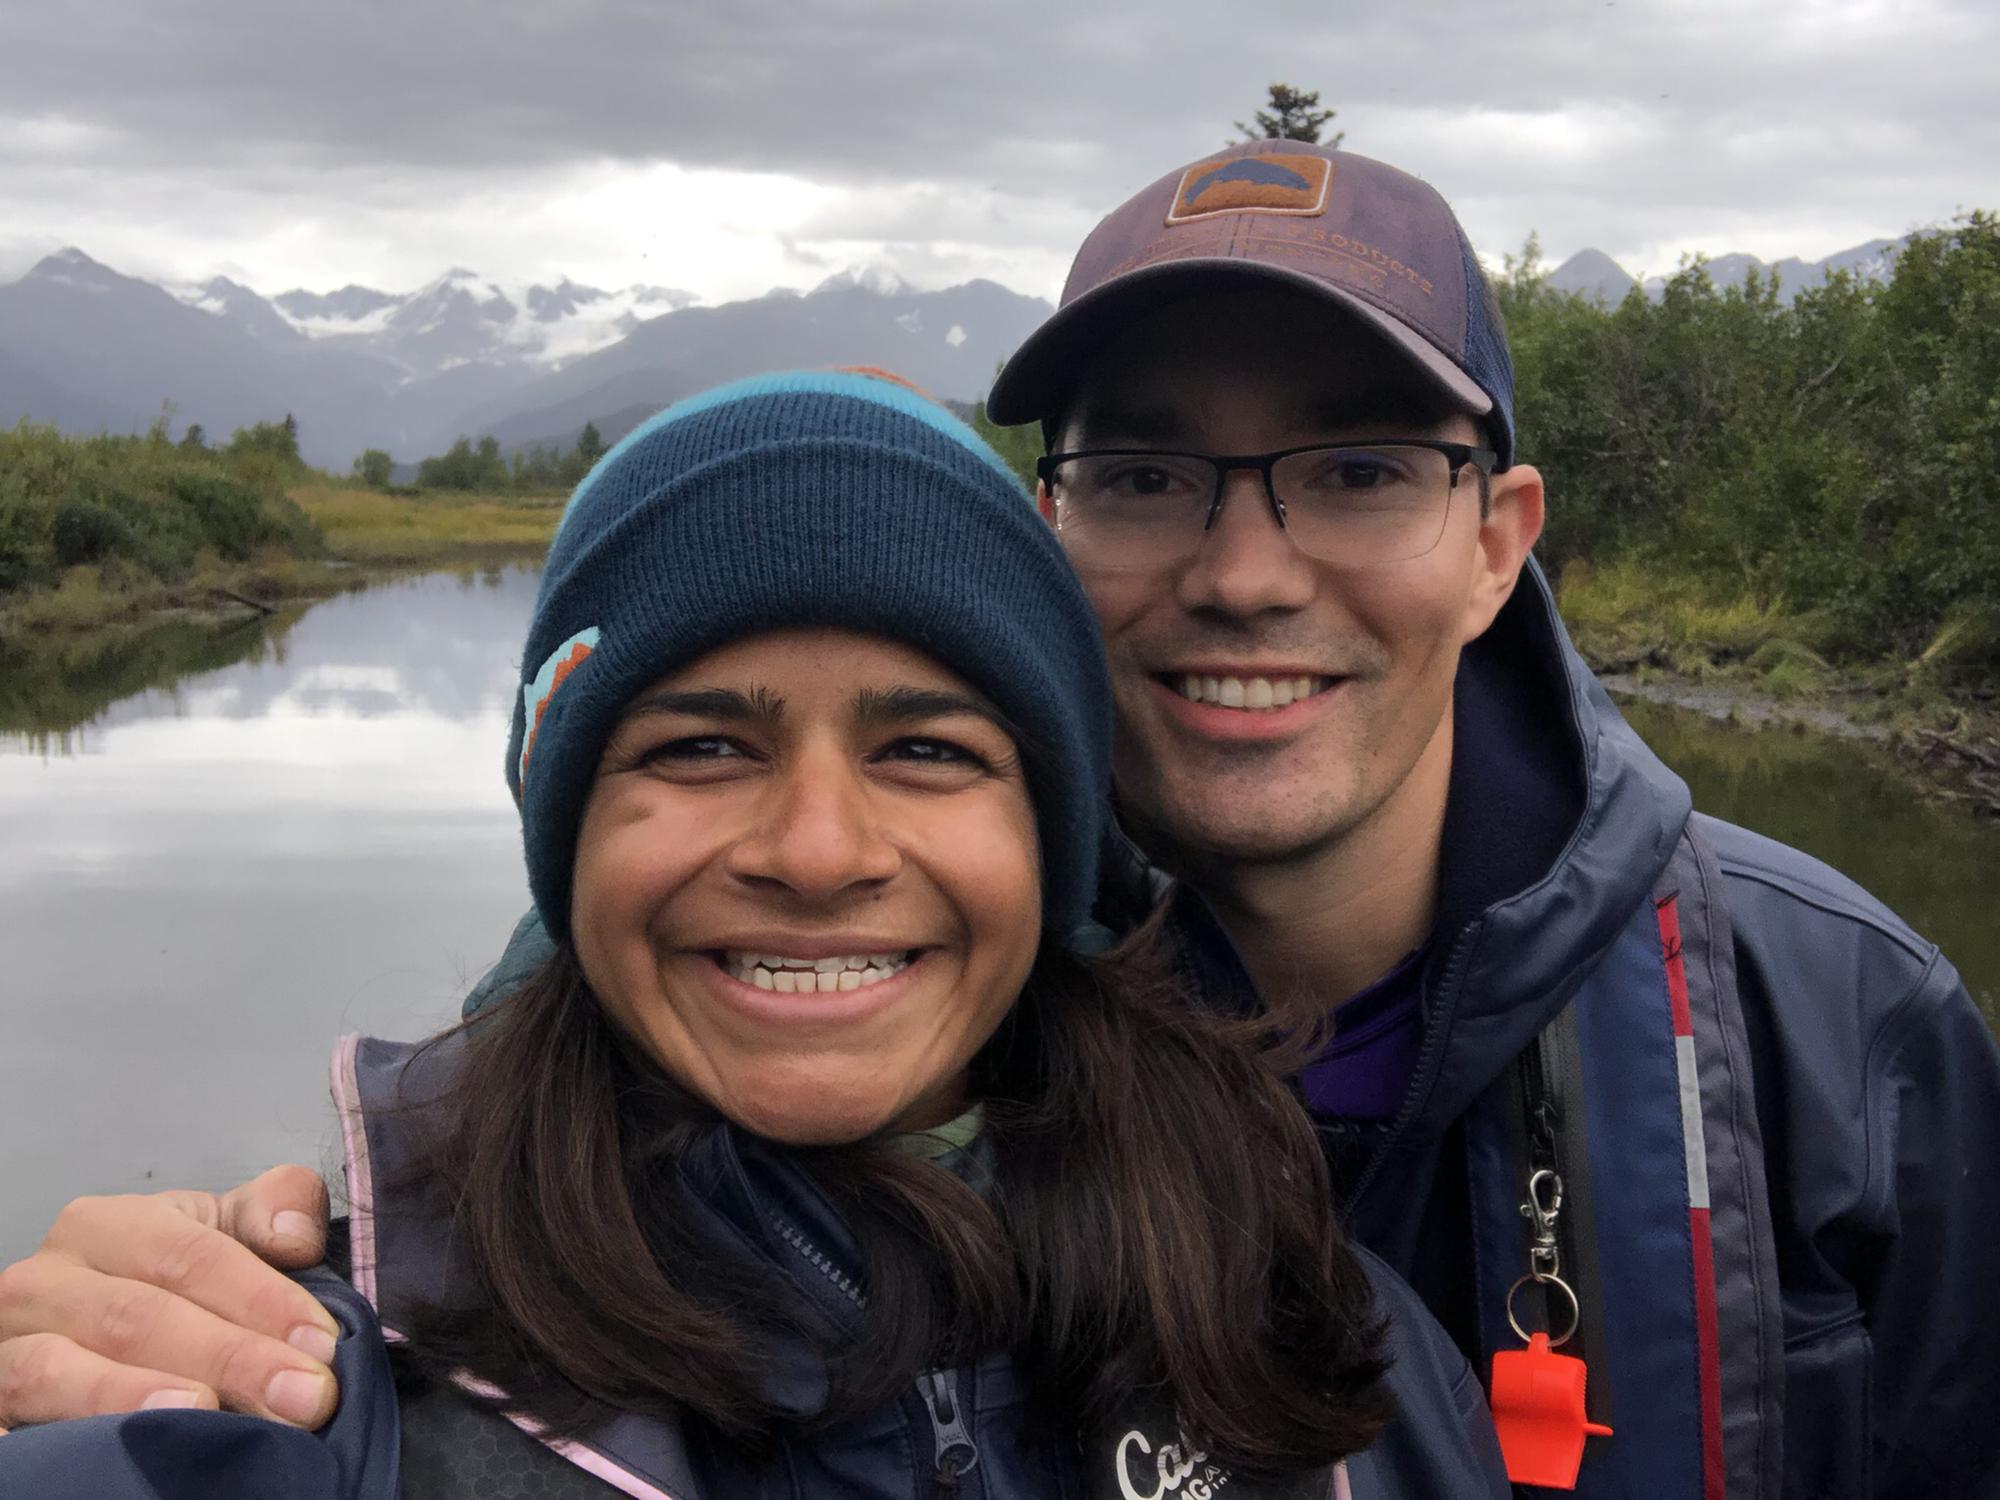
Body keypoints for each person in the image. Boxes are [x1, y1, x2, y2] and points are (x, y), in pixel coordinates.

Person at [8, 142, 2000, 1498]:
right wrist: (269, 1278)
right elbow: (587, 1065)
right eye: (1143, 475)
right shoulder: (857, 996)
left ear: (1501, 541)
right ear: (1051, 536)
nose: (1241, 571)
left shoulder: (1832, 1028)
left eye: (1358, 470)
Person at [0, 369, 1511, 1498]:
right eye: (701, 748)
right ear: (567, 836)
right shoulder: (299, 1385)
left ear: (1047, 847)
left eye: (927, 750)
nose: (817, 852)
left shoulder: (1316, 1338)